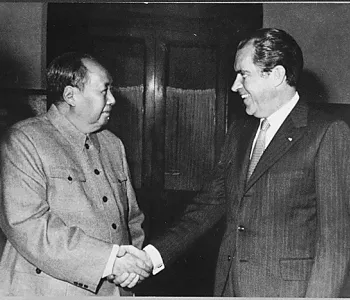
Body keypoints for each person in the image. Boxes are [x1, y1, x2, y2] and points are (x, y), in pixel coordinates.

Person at [118, 28, 350, 297]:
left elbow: (335, 242)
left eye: (244, 74)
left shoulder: (327, 132)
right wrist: (150, 257)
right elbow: (208, 206)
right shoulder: (240, 132)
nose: (234, 85)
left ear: (276, 75)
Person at [0, 52, 152, 296]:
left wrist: (130, 268)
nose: (112, 99)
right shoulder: (23, 141)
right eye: (104, 91)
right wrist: (109, 261)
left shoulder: (114, 145)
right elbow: (28, 226)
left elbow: (131, 221)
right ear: (71, 95)